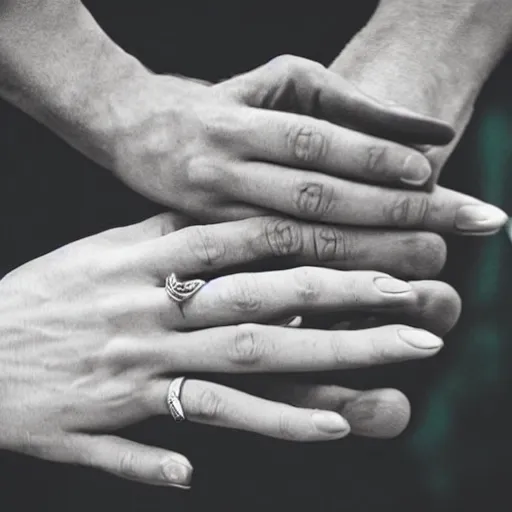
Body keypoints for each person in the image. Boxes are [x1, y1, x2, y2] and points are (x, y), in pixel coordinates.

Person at [0, 0, 511, 510]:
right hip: (43, 186)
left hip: (356, 158)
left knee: (326, 436)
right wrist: (97, 88)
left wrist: (437, 35)